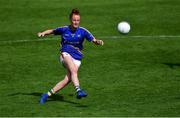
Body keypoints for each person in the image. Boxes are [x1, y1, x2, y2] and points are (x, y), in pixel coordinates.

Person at [38, 8, 104, 104]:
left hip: (77, 57)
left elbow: (93, 40)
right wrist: (43, 33)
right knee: (73, 70)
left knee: (68, 79)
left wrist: (98, 42)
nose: (76, 22)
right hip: (65, 54)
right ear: (70, 19)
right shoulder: (64, 29)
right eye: (74, 20)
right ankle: (78, 90)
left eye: (77, 20)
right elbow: (52, 31)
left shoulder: (83, 31)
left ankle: (46, 95)